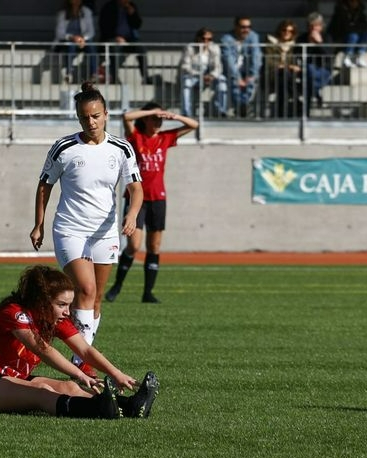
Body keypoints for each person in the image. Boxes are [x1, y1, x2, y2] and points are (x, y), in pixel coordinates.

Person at [30, 81, 143, 377]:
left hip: (105, 232)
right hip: (70, 229)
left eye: (95, 116)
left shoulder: (121, 148)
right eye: (84, 117)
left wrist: (131, 214)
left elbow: (136, 188)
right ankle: (81, 362)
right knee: (85, 288)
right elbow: (45, 185)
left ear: (105, 114)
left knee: (97, 296)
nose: (90, 122)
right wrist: (39, 224)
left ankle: (81, 359)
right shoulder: (65, 147)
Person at [0, 265, 160, 419]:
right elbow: (43, 350)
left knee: (70, 388)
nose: (67, 311)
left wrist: (116, 373)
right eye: (61, 304)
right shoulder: (14, 313)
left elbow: (85, 350)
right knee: (42, 393)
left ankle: (131, 407)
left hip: (12, 379)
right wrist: (80, 374)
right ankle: (99, 410)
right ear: (41, 301)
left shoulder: (53, 318)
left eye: (69, 305)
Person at [105, 103, 197, 304]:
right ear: (146, 119)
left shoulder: (165, 138)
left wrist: (174, 115)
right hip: (137, 199)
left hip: (158, 198)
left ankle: (148, 293)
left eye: (160, 119)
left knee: (154, 246)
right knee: (134, 245)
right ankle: (117, 286)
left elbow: (194, 125)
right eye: (154, 119)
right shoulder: (136, 136)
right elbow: (126, 117)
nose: (157, 122)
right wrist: (151, 111)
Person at [98, 0, 150, 84]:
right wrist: (115, 37)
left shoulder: (131, 6)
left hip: (129, 39)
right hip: (112, 37)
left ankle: (146, 77)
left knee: (141, 49)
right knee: (114, 49)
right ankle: (114, 78)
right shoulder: (109, 7)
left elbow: (137, 25)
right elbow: (103, 25)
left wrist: (132, 14)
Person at [179, 27, 227, 117]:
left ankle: (221, 110)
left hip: (209, 77)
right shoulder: (190, 48)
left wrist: (212, 75)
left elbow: (218, 67)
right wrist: (200, 75)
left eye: (209, 39)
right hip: (194, 76)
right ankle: (186, 112)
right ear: (198, 38)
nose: (206, 41)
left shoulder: (215, 48)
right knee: (186, 83)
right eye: (203, 39)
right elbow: (185, 66)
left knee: (222, 81)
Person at [220, 16, 262, 118]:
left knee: (251, 83)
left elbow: (256, 56)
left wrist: (252, 75)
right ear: (236, 27)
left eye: (249, 26)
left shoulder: (253, 36)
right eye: (243, 27)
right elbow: (228, 60)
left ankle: (242, 108)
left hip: (248, 70)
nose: (246, 29)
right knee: (235, 84)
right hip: (232, 71)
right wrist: (237, 78)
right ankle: (242, 108)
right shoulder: (227, 38)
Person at [296, 12, 334, 114]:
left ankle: (306, 109)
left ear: (321, 26)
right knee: (309, 69)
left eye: (316, 26)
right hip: (306, 70)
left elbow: (329, 55)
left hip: (323, 69)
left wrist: (319, 43)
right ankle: (316, 95)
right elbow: (297, 54)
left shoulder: (326, 37)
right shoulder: (302, 38)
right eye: (311, 26)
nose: (313, 29)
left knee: (308, 81)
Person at [53, 0, 98, 84]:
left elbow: (91, 31)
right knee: (71, 46)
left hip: (82, 40)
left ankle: (94, 73)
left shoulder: (86, 11)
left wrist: (83, 38)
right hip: (67, 40)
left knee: (91, 45)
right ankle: (69, 73)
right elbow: (59, 33)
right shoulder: (62, 13)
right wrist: (72, 37)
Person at [264, 19, 302, 118]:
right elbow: (269, 61)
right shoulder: (271, 43)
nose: (286, 33)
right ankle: (297, 100)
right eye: (284, 30)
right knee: (284, 76)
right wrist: (285, 66)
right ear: (280, 31)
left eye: (290, 31)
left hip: (288, 76)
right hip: (273, 74)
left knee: (283, 83)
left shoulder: (295, 45)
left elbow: (296, 62)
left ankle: (281, 113)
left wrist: (292, 66)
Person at [329, 0, 367, 68]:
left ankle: (361, 54)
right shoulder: (340, 12)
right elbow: (341, 26)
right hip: (342, 36)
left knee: (364, 34)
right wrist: (353, 28)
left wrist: (355, 27)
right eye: (352, 1)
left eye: (356, 2)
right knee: (353, 36)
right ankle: (348, 56)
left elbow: (365, 25)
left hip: (356, 34)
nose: (354, 3)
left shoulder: (360, 12)